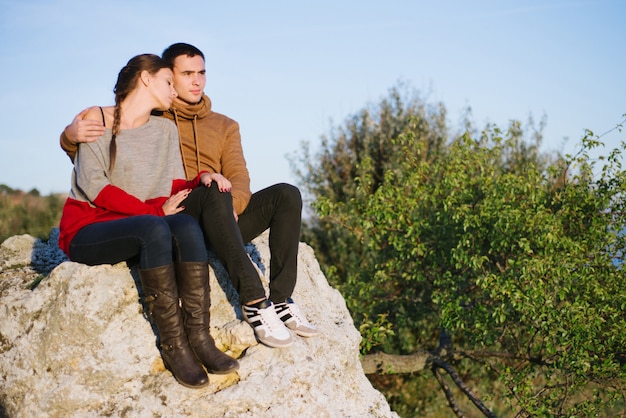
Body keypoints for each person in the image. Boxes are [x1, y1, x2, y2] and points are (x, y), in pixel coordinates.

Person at [60, 43, 318, 349]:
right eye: (185, 74)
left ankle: (281, 299)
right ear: (167, 76)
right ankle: (253, 300)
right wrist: (68, 135)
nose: (196, 81)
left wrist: (227, 208)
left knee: (286, 194)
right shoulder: (156, 116)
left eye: (202, 73)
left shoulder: (224, 125)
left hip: (219, 211)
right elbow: (97, 160)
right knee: (210, 191)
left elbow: (238, 177)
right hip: (183, 215)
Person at [58, 53, 239, 389]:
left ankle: (199, 337)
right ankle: (174, 345)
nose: (175, 91)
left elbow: (169, 185)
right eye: (168, 82)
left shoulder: (165, 129)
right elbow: (95, 186)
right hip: (88, 228)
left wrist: (202, 178)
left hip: (139, 225)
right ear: (145, 78)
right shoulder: (94, 120)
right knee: (155, 226)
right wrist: (153, 212)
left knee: (185, 225)